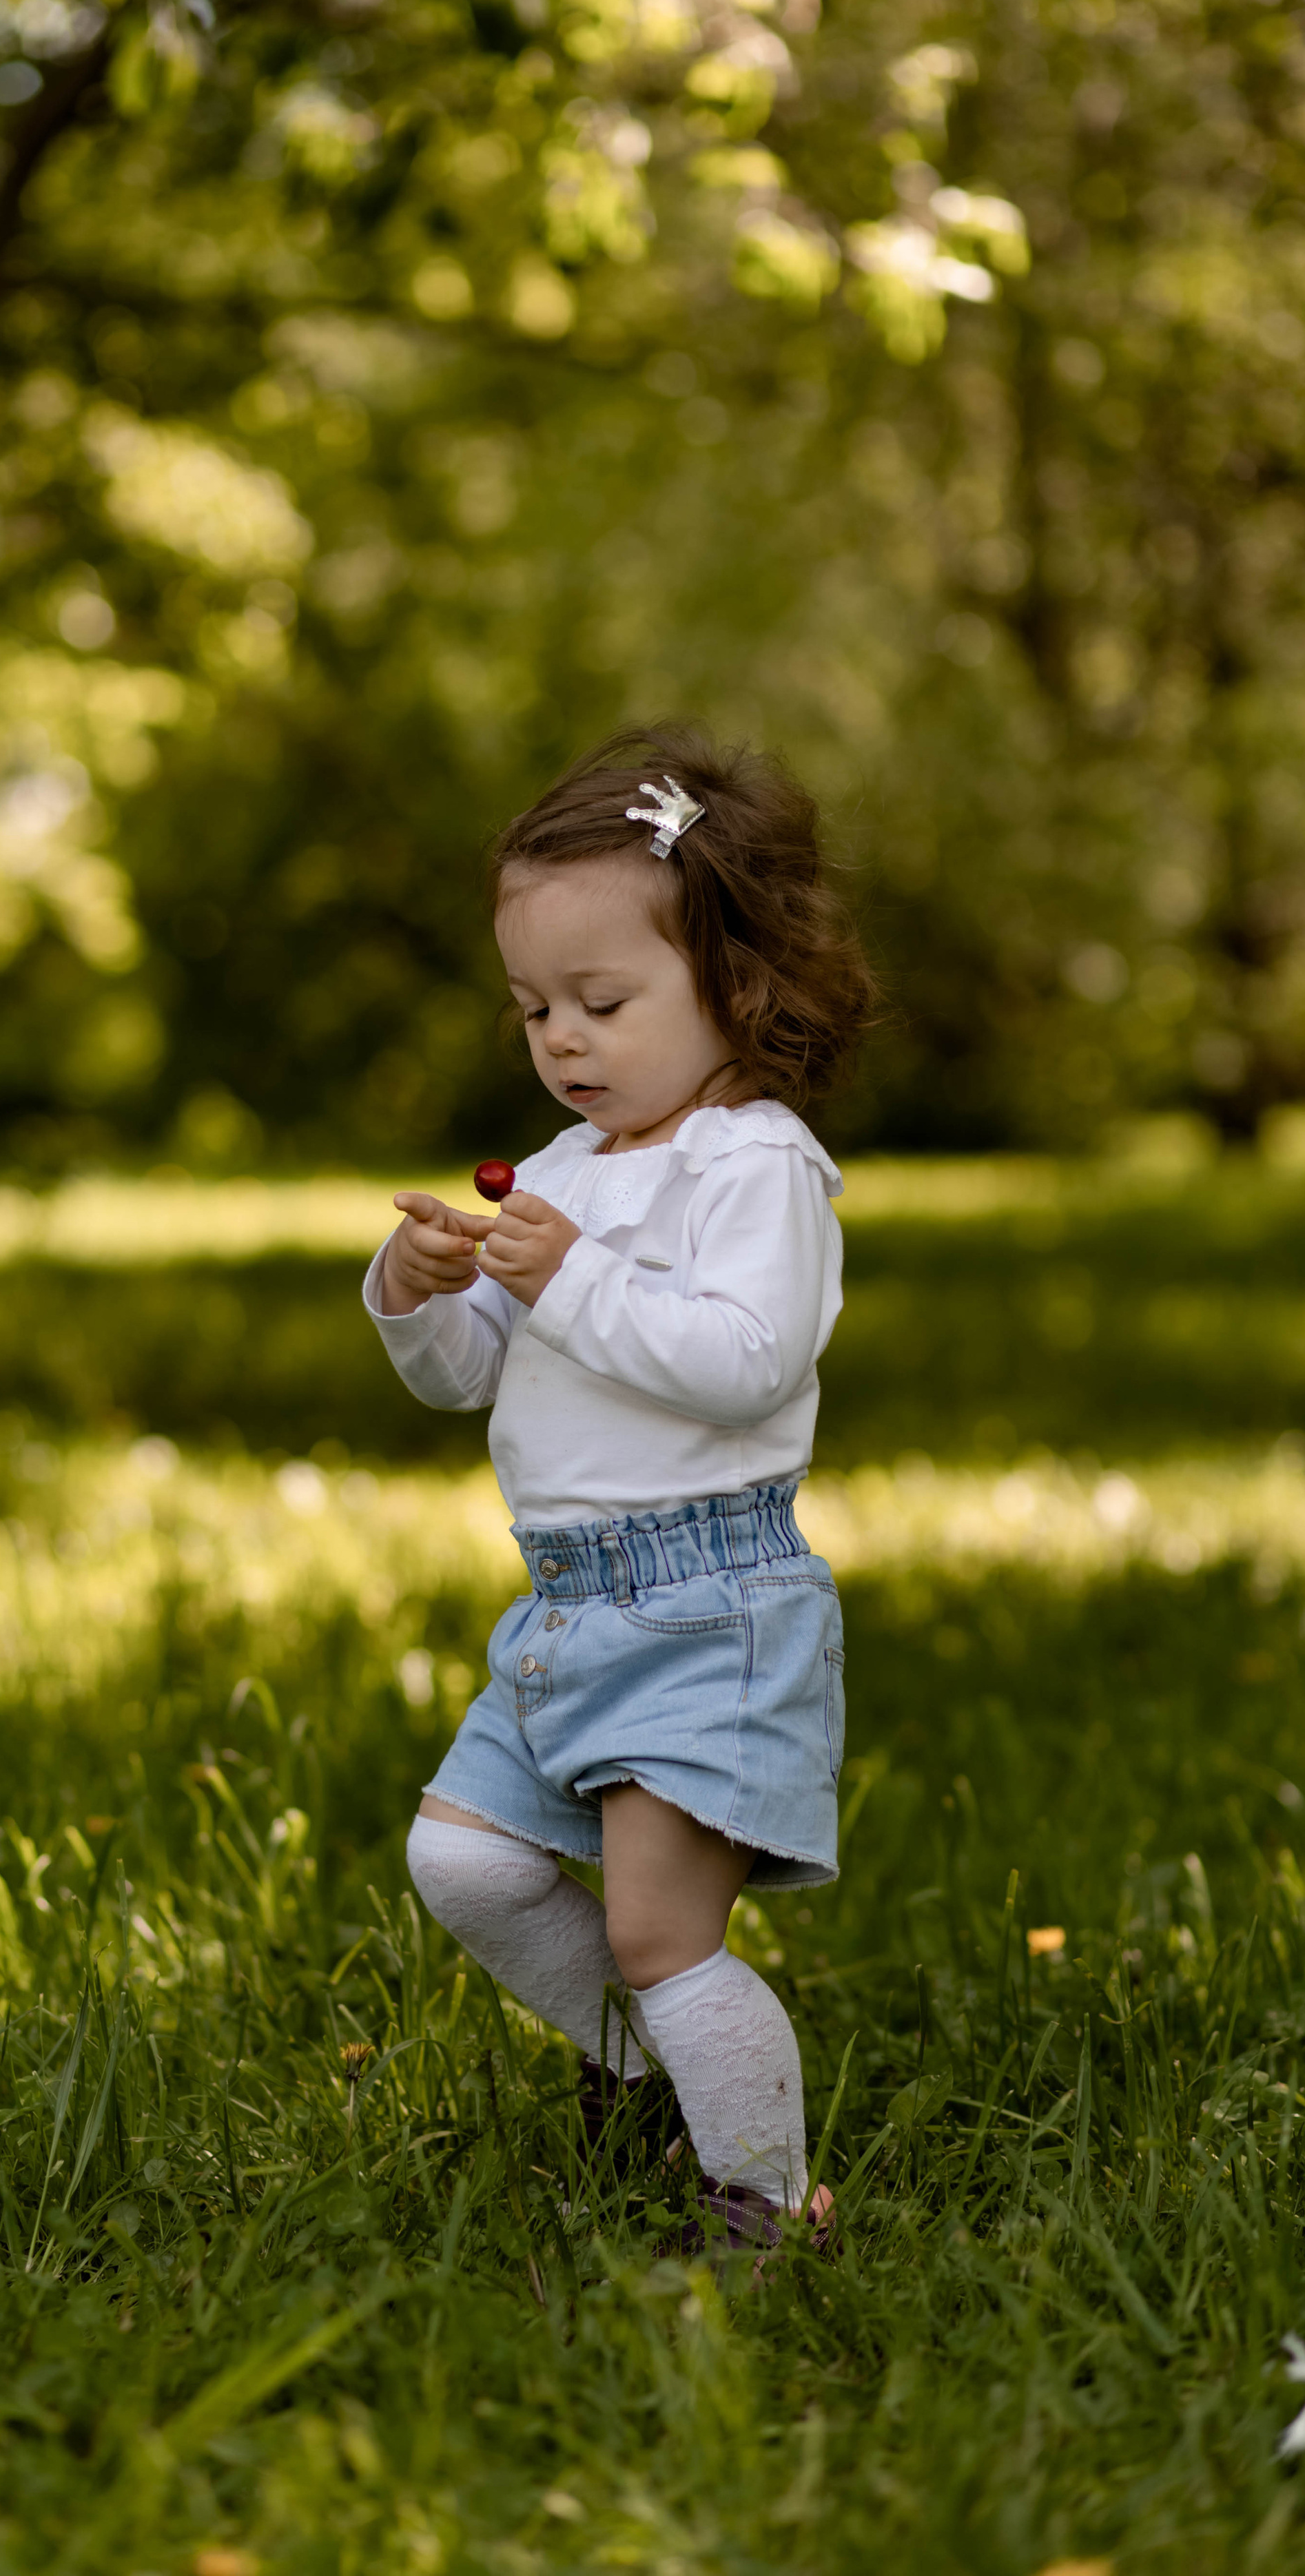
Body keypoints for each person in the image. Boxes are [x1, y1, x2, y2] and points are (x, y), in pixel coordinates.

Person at [362, 725, 877, 2261]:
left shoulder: (753, 1168)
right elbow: (467, 1374)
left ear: (737, 982)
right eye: (533, 1008)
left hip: (705, 1594)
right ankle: (657, 2067)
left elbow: (742, 1361)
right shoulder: (566, 1166)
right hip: (569, 1601)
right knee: (458, 1856)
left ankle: (764, 2203)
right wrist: (414, 1292)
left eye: (601, 1001)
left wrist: (573, 1276)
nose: (562, 1042)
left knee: (661, 1929)